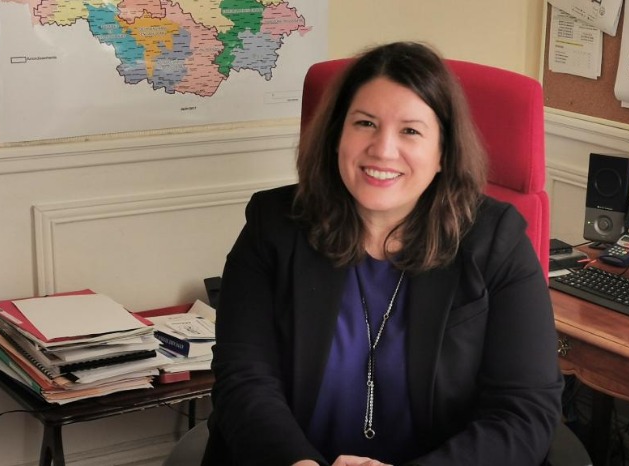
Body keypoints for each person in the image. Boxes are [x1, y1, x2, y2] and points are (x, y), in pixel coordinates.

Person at [202, 41, 563, 465]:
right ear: (337, 136)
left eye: (410, 131)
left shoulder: (497, 241)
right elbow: (244, 379)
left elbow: (525, 410)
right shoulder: (273, 226)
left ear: (443, 153)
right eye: (365, 123)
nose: (383, 149)